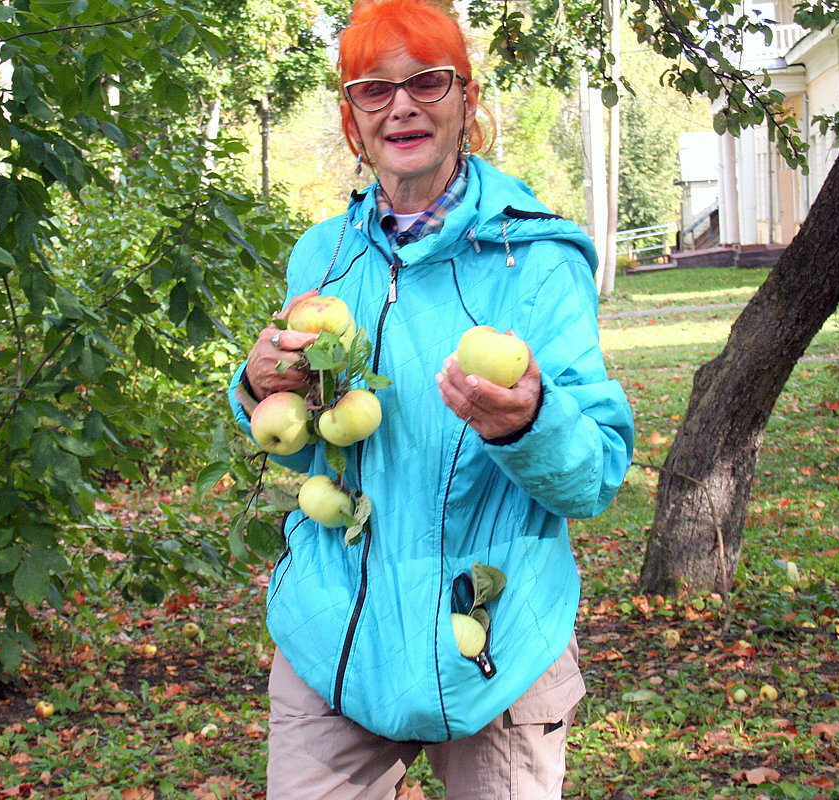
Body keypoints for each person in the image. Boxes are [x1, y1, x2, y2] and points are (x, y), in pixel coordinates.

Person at [230, 0, 634, 796]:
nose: (403, 105)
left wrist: (530, 425)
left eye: (428, 81)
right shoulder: (325, 252)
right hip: (336, 629)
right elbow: (313, 439)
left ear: (467, 100)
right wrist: (259, 386)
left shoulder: (538, 258)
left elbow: (595, 477)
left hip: (496, 639)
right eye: (373, 89)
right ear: (351, 116)